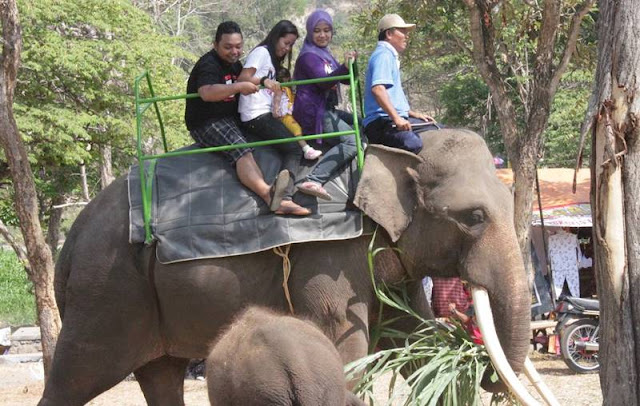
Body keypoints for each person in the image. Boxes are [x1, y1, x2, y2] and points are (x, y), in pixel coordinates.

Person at [185, 21, 288, 214]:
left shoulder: (234, 65)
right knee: (240, 149)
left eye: (238, 46)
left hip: (232, 118)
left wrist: (265, 81)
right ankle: (268, 194)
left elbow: (246, 79)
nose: (234, 51)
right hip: (207, 121)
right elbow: (207, 93)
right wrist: (238, 87)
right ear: (215, 45)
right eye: (228, 47)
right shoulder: (209, 64)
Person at [238, 20, 310, 216]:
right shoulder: (261, 53)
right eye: (285, 43)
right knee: (294, 148)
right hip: (255, 115)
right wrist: (264, 81)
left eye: (291, 45)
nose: (287, 49)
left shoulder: (272, 61)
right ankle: (284, 198)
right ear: (275, 37)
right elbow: (242, 79)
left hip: (266, 112)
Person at [293, 9, 359, 201]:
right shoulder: (308, 56)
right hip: (312, 111)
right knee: (352, 141)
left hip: (327, 108)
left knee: (363, 124)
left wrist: (351, 65)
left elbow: (346, 80)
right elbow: (323, 82)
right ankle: (314, 179)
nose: (322, 35)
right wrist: (344, 67)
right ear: (309, 32)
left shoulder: (325, 54)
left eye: (326, 30)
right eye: (317, 31)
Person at [363, 14, 439, 154]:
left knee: (438, 128)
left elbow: (390, 96)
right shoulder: (383, 55)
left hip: (389, 119)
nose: (406, 36)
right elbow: (378, 90)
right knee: (412, 143)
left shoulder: (389, 55)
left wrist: (412, 113)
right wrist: (397, 118)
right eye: (402, 32)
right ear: (389, 34)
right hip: (381, 123)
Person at [272, 67, 323, 161]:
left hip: (289, 112)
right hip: (284, 115)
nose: (285, 79)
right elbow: (281, 103)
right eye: (283, 77)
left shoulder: (288, 89)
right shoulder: (281, 89)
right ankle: (307, 150)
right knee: (296, 128)